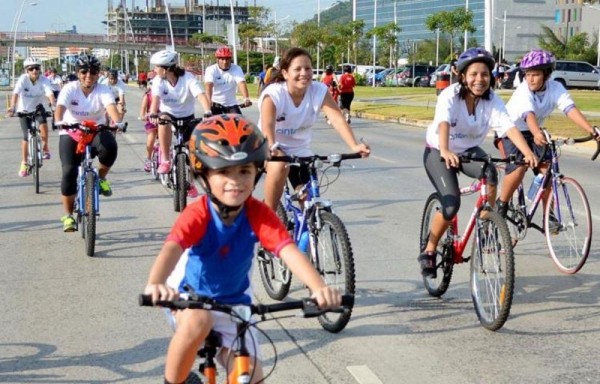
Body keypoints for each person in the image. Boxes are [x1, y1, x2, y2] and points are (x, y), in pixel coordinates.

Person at [143, 114, 342, 384]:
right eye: (223, 172)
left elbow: (288, 251)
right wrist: (156, 283)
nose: (235, 181)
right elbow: (172, 248)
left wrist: (318, 288)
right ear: (203, 175)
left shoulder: (257, 213)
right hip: (191, 296)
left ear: (257, 173)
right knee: (198, 322)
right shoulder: (198, 213)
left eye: (244, 171)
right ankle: (173, 382)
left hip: (236, 303)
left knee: (250, 374)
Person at [419, 47, 538, 277]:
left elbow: (508, 127)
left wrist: (527, 152)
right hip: (438, 150)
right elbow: (443, 122)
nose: (479, 80)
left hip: (468, 150)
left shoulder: (492, 99)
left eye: (484, 74)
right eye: (473, 74)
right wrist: (444, 150)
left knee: (491, 173)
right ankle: (430, 250)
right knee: (451, 204)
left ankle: (486, 226)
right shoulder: (450, 95)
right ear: (462, 75)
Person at [258, 47, 370, 212]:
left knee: (309, 200)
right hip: (271, 147)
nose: (304, 73)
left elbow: (337, 118)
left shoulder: (318, 90)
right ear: (285, 73)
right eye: (297, 69)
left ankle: (311, 232)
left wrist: (354, 146)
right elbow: (267, 126)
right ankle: (268, 219)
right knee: (280, 166)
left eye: (308, 68)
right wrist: (272, 147)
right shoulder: (274, 94)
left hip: (300, 151)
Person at [496, 49, 600, 224]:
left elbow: (570, 109)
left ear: (547, 75)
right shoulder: (523, 91)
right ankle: (502, 205)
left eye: (535, 75)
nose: (530, 79)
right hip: (510, 130)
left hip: (534, 130)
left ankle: (549, 217)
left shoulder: (556, 88)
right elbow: (528, 115)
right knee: (520, 165)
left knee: (547, 173)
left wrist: (592, 131)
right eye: (527, 74)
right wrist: (537, 132)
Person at [53, 54, 122, 232]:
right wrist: (59, 121)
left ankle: (100, 178)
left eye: (93, 72)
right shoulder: (70, 88)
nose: (88, 76)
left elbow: (111, 107)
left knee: (110, 148)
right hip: (71, 130)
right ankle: (68, 216)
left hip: (96, 129)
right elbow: (60, 108)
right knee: (69, 171)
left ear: (98, 74)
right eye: (84, 72)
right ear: (77, 73)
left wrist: (117, 122)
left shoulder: (103, 89)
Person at [148, 49, 211, 198]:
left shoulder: (188, 78)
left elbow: (200, 95)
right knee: (163, 121)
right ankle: (165, 159)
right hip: (168, 114)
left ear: (167, 68)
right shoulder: (158, 81)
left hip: (187, 116)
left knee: (194, 151)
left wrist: (207, 110)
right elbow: (155, 99)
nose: (154, 70)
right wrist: (152, 113)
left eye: (157, 67)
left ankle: (190, 182)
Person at [7, 57, 56, 177]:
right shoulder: (23, 80)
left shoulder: (44, 80)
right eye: (31, 69)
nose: (34, 71)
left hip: (38, 108)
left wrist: (53, 106)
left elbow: (49, 93)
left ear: (40, 69)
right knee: (26, 135)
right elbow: (16, 93)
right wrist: (12, 107)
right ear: (26, 71)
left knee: (43, 122)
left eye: (37, 68)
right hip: (24, 110)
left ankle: (45, 148)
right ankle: (24, 162)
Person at [204, 46, 251, 115]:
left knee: (239, 124)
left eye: (227, 59)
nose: (225, 62)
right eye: (222, 59)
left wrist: (246, 98)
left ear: (230, 59)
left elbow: (241, 83)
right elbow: (208, 86)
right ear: (217, 59)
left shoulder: (236, 68)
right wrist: (208, 103)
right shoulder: (211, 69)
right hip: (215, 104)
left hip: (232, 105)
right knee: (211, 124)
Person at [139, 88, 157, 172]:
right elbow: (143, 109)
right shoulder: (148, 96)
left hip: (163, 120)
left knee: (164, 139)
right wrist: (143, 116)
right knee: (151, 138)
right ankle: (148, 158)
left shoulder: (166, 92)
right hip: (151, 120)